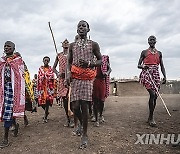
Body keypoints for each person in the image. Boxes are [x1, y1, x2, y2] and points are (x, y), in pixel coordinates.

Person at [66, 20, 102, 149]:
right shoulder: (72, 45)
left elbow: (100, 60)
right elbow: (68, 62)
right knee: (75, 107)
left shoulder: (94, 45)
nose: (81, 28)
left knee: (85, 106)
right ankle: (81, 123)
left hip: (87, 78)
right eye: (79, 26)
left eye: (84, 26)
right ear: (76, 30)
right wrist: (68, 75)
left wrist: (89, 64)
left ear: (88, 29)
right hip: (75, 77)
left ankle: (85, 135)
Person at [0, 41, 26, 148]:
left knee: (7, 112)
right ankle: (15, 125)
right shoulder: (1, 61)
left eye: (9, 46)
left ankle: (5, 138)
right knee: (7, 112)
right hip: (3, 90)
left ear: (13, 48)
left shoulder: (17, 61)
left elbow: (21, 74)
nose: (6, 48)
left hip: (13, 90)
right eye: (5, 46)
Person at [138, 35, 166, 127]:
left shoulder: (159, 53)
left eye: (153, 40)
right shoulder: (144, 52)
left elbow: (161, 66)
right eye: (150, 40)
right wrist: (143, 66)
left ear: (156, 41)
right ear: (148, 41)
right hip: (147, 73)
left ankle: (150, 116)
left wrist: (165, 76)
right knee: (152, 94)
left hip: (156, 75)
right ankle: (151, 117)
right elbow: (138, 65)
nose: (152, 41)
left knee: (155, 96)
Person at [53, 39, 74, 128]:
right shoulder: (59, 55)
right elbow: (53, 67)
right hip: (62, 80)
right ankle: (68, 118)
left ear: (69, 45)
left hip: (71, 78)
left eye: (67, 42)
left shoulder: (72, 54)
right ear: (62, 45)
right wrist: (58, 73)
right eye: (64, 43)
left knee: (71, 98)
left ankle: (73, 118)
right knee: (65, 99)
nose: (65, 44)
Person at [92, 55, 111, 127]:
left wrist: (107, 73)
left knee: (102, 101)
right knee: (95, 101)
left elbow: (109, 69)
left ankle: (100, 115)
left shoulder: (104, 59)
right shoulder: (92, 59)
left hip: (102, 81)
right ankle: (96, 119)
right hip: (94, 81)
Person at [37, 56, 54, 123]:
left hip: (48, 88)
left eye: (47, 60)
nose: (46, 62)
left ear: (49, 61)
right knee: (40, 103)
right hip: (42, 88)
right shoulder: (40, 69)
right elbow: (39, 76)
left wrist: (46, 76)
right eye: (45, 60)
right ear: (43, 61)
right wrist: (43, 76)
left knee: (47, 102)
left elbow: (52, 76)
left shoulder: (50, 69)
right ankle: (46, 112)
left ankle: (45, 117)